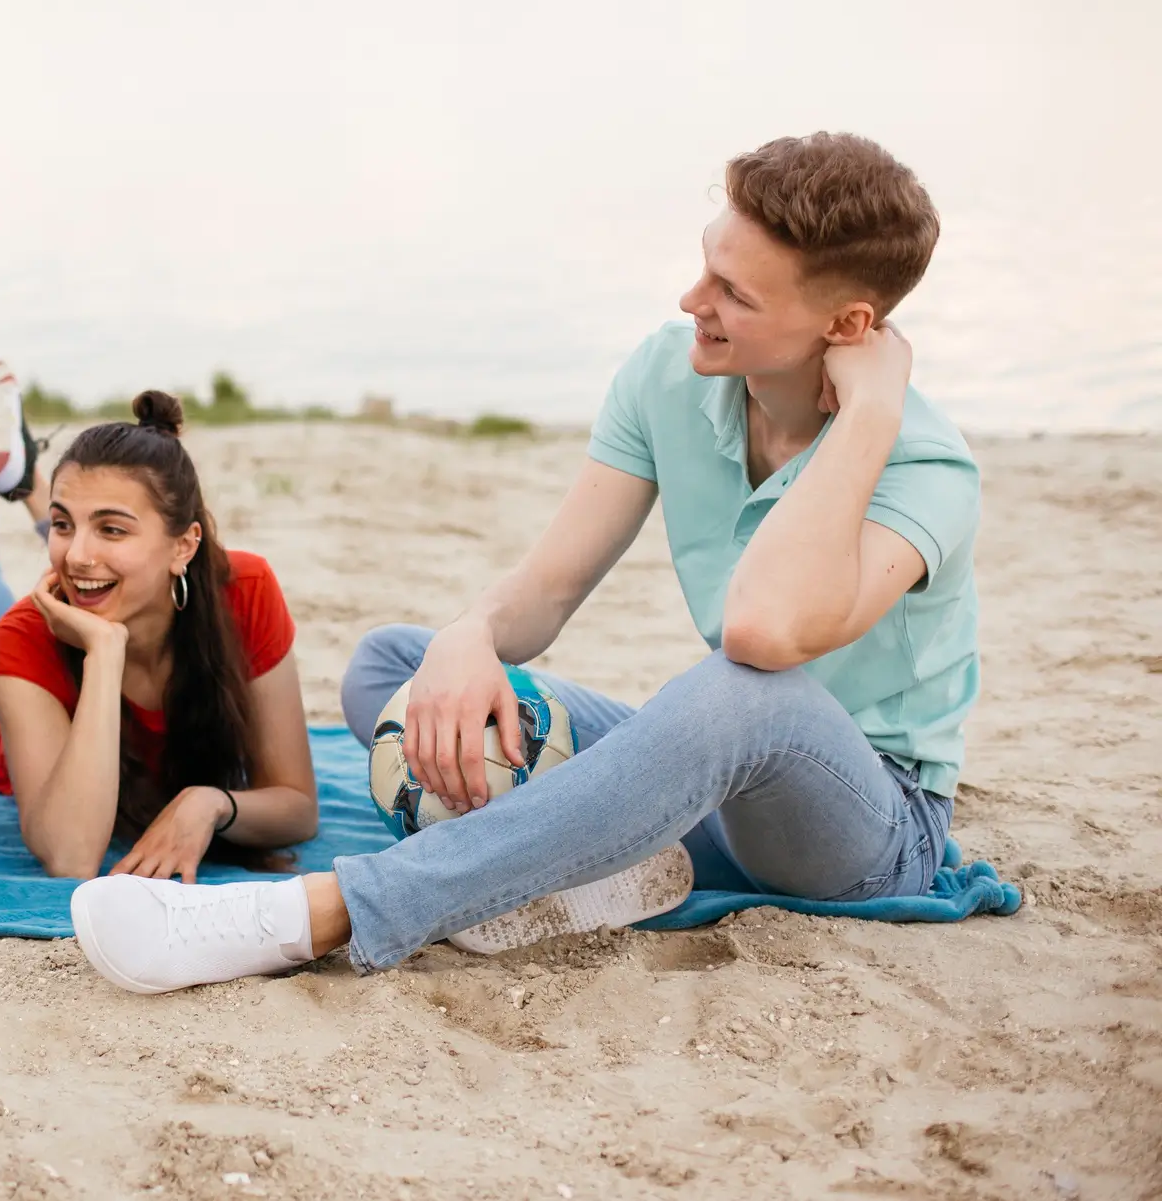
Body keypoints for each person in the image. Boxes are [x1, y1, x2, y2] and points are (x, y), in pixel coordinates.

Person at [69, 133, 979, 994]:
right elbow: (548, 590)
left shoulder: (925, 467)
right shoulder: (671, 372)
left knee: (747, 688)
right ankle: (583, 867)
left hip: (862, 827)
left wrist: (866, 418)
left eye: (735, 293)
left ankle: (326, 912)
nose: (691, 299)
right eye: (707, 263)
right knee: (398, 664)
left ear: (850, 324)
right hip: (706, 792)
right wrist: (469, 636)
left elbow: (761, 632)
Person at [0, 370, 318, 881]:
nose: (73, 553)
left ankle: (27, 481)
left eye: (111, 527)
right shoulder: (19, 638)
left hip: (121, 590)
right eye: (61, 524)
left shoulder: (243, 588)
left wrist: (208, 804)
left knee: (94, 572)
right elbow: (71, 857)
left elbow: (297, 806)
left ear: (184, 546)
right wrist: (104, 652)